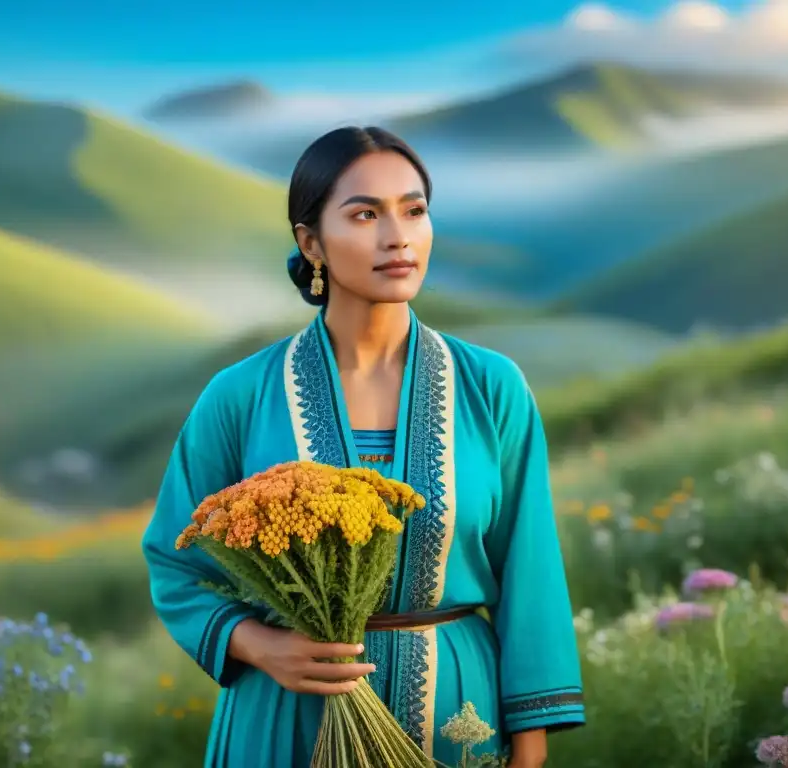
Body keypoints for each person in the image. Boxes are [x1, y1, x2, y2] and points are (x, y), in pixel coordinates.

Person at [142, 126, 584, 767]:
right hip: (286, 715)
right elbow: (174, 558)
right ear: (310, 242)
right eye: (365, 214)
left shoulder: (492, 388)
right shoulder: (239, 396)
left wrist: (531, 746)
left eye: (414, 210)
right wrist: (259, 646)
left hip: (457, 714)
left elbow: (530, 569)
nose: (397, 235)